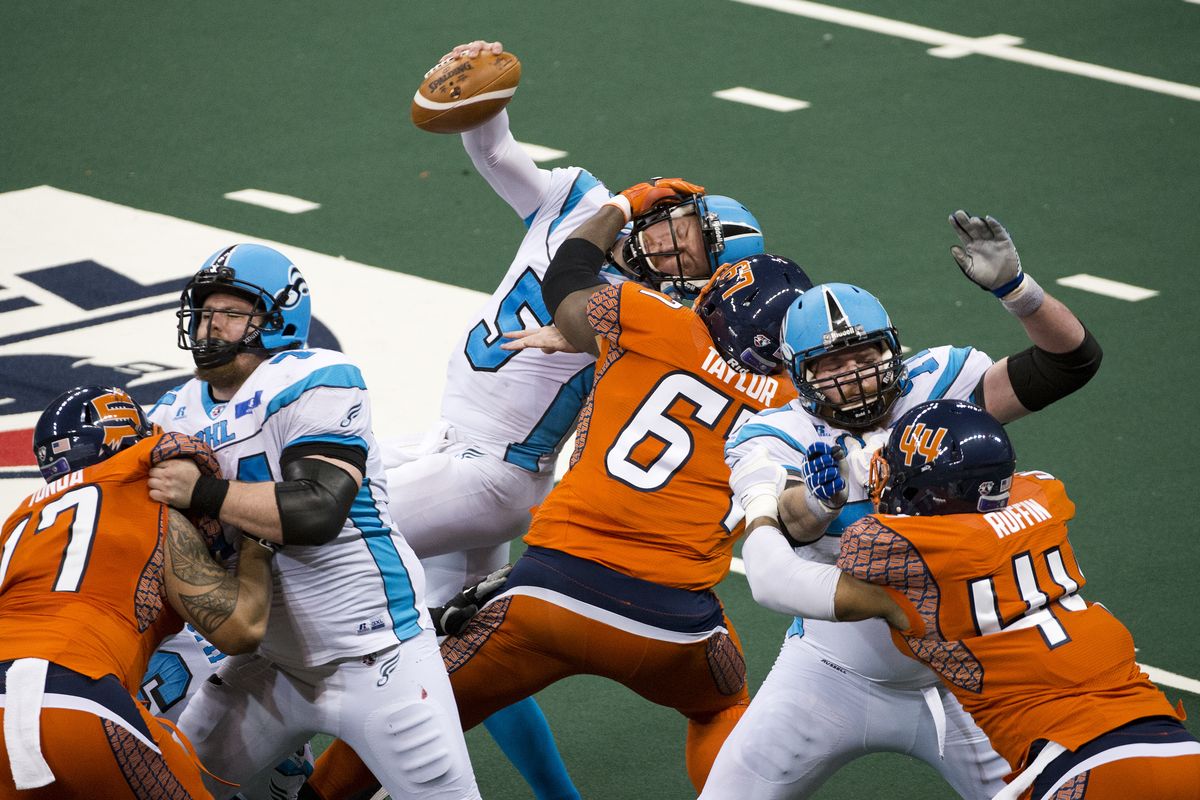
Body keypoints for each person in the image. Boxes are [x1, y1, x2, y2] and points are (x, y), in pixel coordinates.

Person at [304, 37, 768, 800]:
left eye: (687, 254)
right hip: (453, 451)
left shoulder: (660, 319)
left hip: (492, 470)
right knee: (469, 650)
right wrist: (484, 85)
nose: (667, 246)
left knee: (297, 544)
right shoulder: (581, 206)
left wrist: (620, 221)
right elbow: (493, 152)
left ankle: (291, 745)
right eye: (674, 227)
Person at [705, 211, 1105, 799]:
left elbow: (1070, 364)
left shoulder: (940, 379)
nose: (856, 376)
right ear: (798, 374)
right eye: (832, 365)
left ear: (892, 348)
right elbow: (781, 527)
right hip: (830, 669)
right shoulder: (770, 434)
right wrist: (818, 503)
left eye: (864, 356)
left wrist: (1019, 292)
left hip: (963, 669)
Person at [142, 243, 481, 799]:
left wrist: (201, 490)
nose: (210, 328)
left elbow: (318, 510)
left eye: (230, 313)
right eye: (204, 314)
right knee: (169, 789)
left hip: (378, 655)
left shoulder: (315, 376)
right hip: (269, 664)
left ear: (276, 319)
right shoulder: (170, 414)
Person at [838, 400, 1200, 799]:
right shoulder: (1041, 495)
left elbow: (801, 572)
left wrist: (770, 505)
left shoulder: (909, 547)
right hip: (1177, 743)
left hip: (1081, 766)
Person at [0, 385, 274, 798]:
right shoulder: (148, 505)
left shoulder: (17, 525)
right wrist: (259, 540)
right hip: (76, 693)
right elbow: (241, 628)